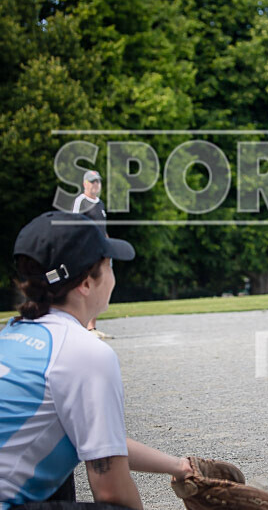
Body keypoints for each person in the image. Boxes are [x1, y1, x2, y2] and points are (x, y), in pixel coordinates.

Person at [0, 211, 192, 509]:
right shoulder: (83, 352)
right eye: (108, 264)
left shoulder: (14, 331)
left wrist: (177, 466)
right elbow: (112, 495)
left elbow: (98, 439)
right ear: (86, 283)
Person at [72, 170, 111, 339]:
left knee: (99, 286)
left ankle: (92, 327)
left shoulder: (100, 203)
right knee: (85, 285)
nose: (95, 184)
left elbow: (103, 228)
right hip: (87, 250)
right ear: (85, 184)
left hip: (102, 250)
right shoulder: (81, 201)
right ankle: (83, 326)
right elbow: (74, 225)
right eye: (92, 181)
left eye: (98, 182)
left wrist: (108, 246)